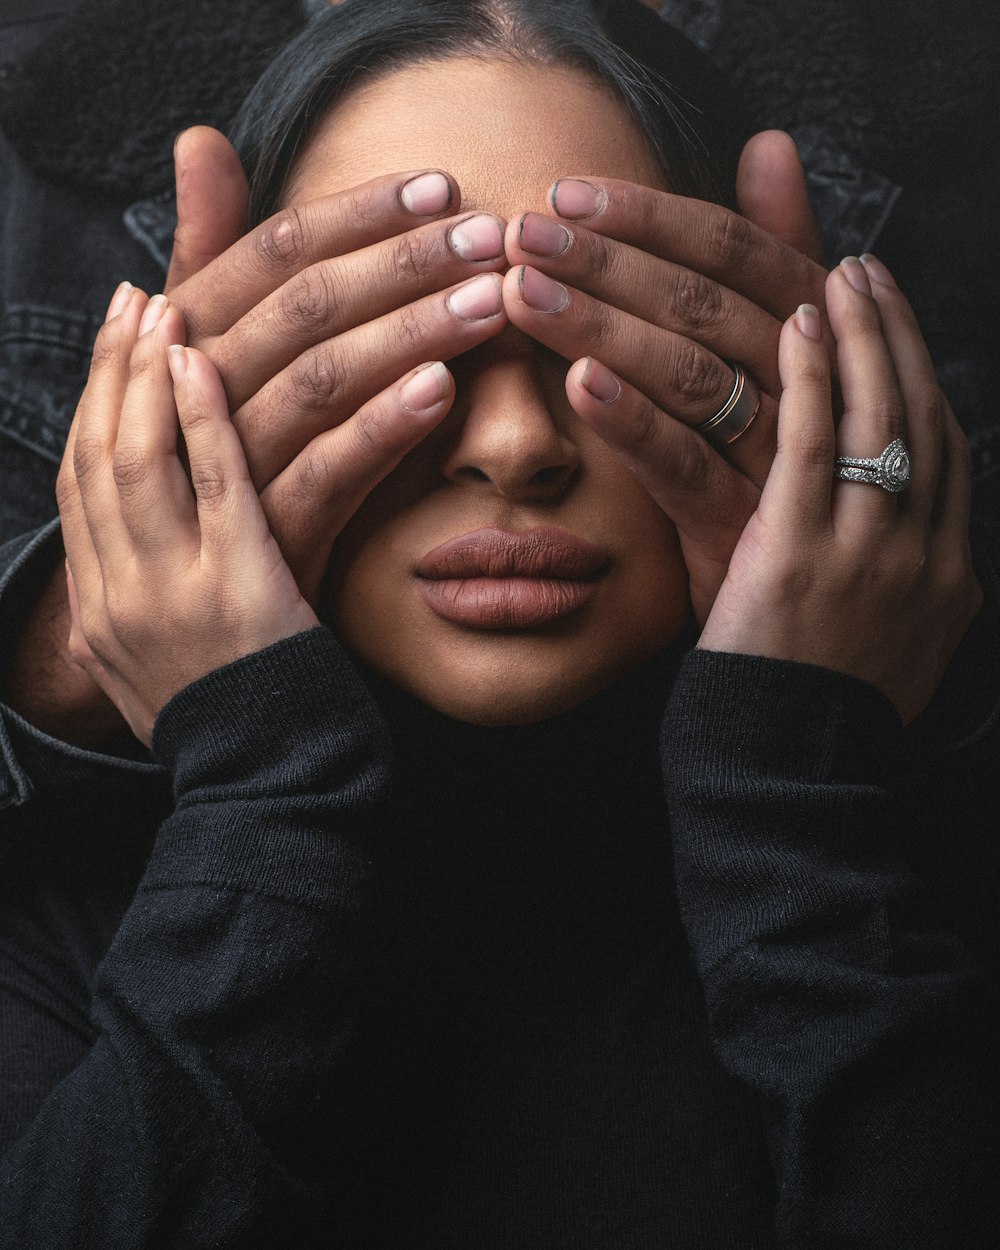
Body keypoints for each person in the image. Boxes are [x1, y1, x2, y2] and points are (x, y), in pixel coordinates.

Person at [1, 1, 997, 1246]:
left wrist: (792, 777)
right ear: (235, 372)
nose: (517, 446)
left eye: (608, 329)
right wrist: (264, 782)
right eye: (393, 335)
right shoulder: (61, 913)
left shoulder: (946, 888)